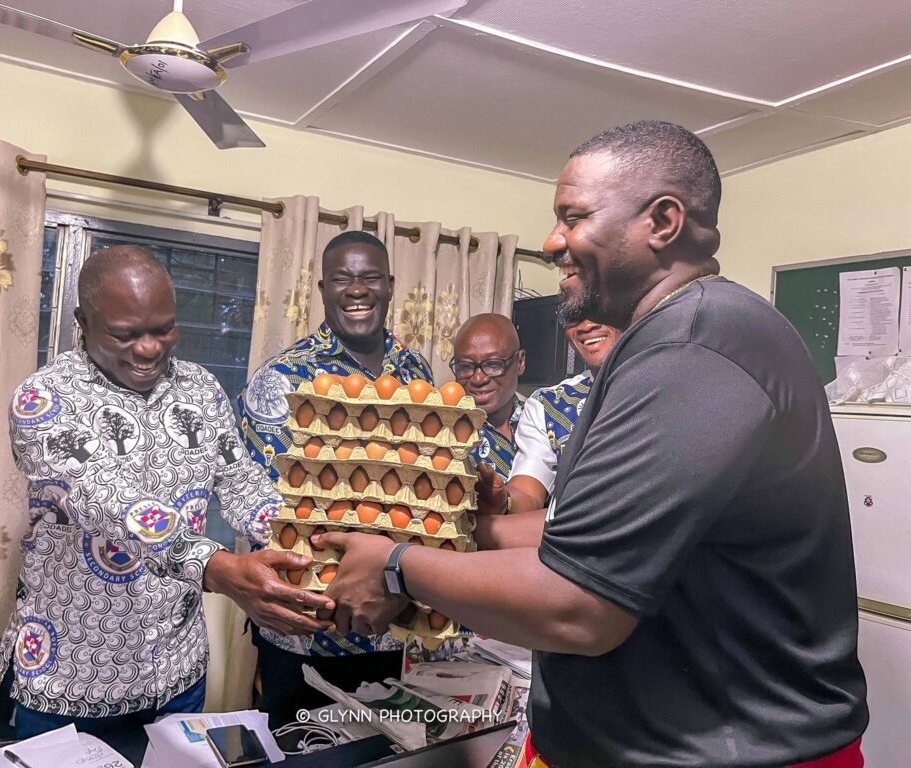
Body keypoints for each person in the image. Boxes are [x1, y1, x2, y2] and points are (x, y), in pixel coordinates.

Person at [313, 121, 868, 767]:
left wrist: (395, 564)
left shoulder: (696, 346)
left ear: (662, 221)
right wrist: (471, 526)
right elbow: (593, 532)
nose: (553, 242)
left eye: (573, 217)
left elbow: (579, 609)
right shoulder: (670, 336)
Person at [5, 246, 333, 738]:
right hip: (70, 679)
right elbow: (107, 501)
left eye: (163, 328)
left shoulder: (200, 388)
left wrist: (304, 542)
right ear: (83, 320)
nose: (149, 348)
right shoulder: (43, 399)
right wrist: (219, 567)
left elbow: (240, 482)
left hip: (178, 672)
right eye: (125, 333)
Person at [238, 231, 432, 727]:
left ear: (390, 286)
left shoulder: (418, 371)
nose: (357, 289)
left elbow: (430, 486)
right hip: (311, 625)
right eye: (343, 279)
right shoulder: (281, 379)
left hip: (402, 621)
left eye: (369, 277)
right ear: (322, 289)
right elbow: (271, 508)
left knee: (397, 756)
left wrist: (405, 574)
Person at [487, 320, 622, 514]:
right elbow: (528, 491)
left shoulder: (673, 386)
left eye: (493, 365)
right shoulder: (550, 404)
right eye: (574, 315)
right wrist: (503, 501)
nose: (587, 324)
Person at [450, 314, 525, 480]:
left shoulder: (542, 420)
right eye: (466, 367)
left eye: (493, 364)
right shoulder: (445, 434)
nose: (478, 378)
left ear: (520, 362)